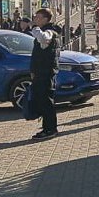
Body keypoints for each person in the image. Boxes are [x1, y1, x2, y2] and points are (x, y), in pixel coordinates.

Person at [29, 9, 62, 140]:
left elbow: (43, 38)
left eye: (38, 17)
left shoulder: (50, 32)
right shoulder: (45, 31)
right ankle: (47, 128)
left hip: (46, 72)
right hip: (40, 72)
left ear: (45, 19)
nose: (35, 19)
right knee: (42, 100)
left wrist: (34, 28)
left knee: (46, 101)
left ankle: (51, 129)